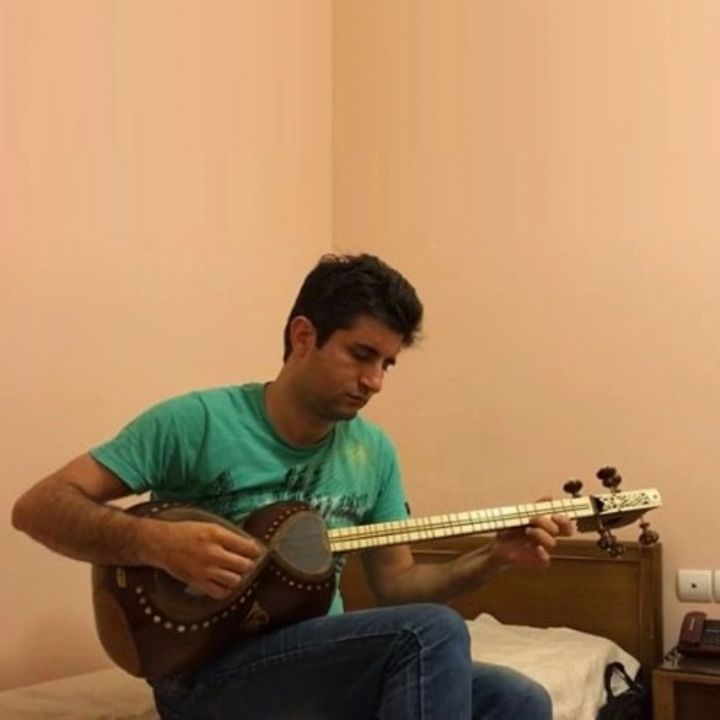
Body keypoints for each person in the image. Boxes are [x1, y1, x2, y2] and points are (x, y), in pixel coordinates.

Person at [13, 253, 573, 720]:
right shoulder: (195, 423)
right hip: (203, 672)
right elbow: (38, 507)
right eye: (361, 355)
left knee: (519, 700)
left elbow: (398, 586)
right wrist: (155, 543)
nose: (375, 381)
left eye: (387, 364)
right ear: (303, 335)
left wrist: (492, 558)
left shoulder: (373, 451)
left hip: (316, 660)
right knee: (429, 633)